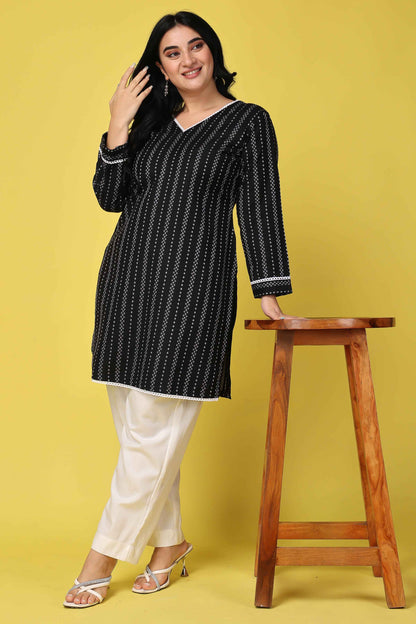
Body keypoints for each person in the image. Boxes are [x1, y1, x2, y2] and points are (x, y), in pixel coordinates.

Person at [63, 9, 300, 609]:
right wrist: (117, 124)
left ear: (212, 51)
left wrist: (268, 288)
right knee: (138, 431)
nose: (188, 59)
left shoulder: (247, 122)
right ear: (160, 67)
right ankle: (168, 545)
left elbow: (260, 203)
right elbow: (110, 198)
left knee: (152, 432)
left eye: (196, 46)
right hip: (127, 283)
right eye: (172, 53)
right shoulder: (150, 123)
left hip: (194, 288)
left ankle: (99, 560)